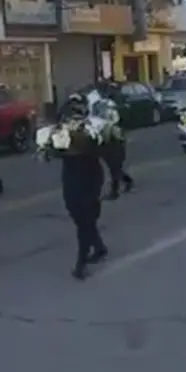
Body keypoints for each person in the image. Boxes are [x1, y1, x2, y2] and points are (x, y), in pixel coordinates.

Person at [58, 93, 108, 280]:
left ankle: (81, 263)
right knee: (79, 217)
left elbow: (98, 148)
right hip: (71, 179)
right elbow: (57, 150)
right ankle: (99, 247)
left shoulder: (91, 129)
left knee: (85, 221)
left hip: (89, 178)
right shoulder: (63, 129)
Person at [97, 80, 134, 200]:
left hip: (115, 137)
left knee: (114, 166)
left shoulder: (117, 104)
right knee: (114, 166)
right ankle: (126, 181)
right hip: (108, 137)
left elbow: (122, 120)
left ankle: (115, 191)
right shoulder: (104, 103)